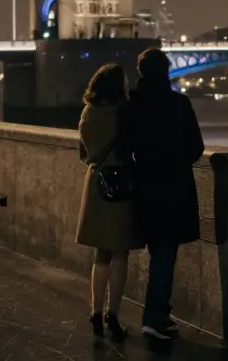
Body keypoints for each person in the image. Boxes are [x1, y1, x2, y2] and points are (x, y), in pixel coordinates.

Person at [122, 48, 204, 341]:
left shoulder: (131, 106)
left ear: (141, 71)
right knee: (165, 253)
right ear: (167, 71)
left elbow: (124, 147)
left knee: (156, 250)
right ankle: (154, 317)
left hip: (144, 185)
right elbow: (196, 148)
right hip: (174, 186)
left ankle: (157, 313)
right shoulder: (179, 104)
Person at [74, 63, 141, 341]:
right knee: (120, 253)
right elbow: (135, 145)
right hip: (122, 183)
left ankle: (95, 310)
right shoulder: (125, 111)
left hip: (97, 183)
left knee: (100, 254)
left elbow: (83, 152)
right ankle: (113, 314)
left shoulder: (88, 112)